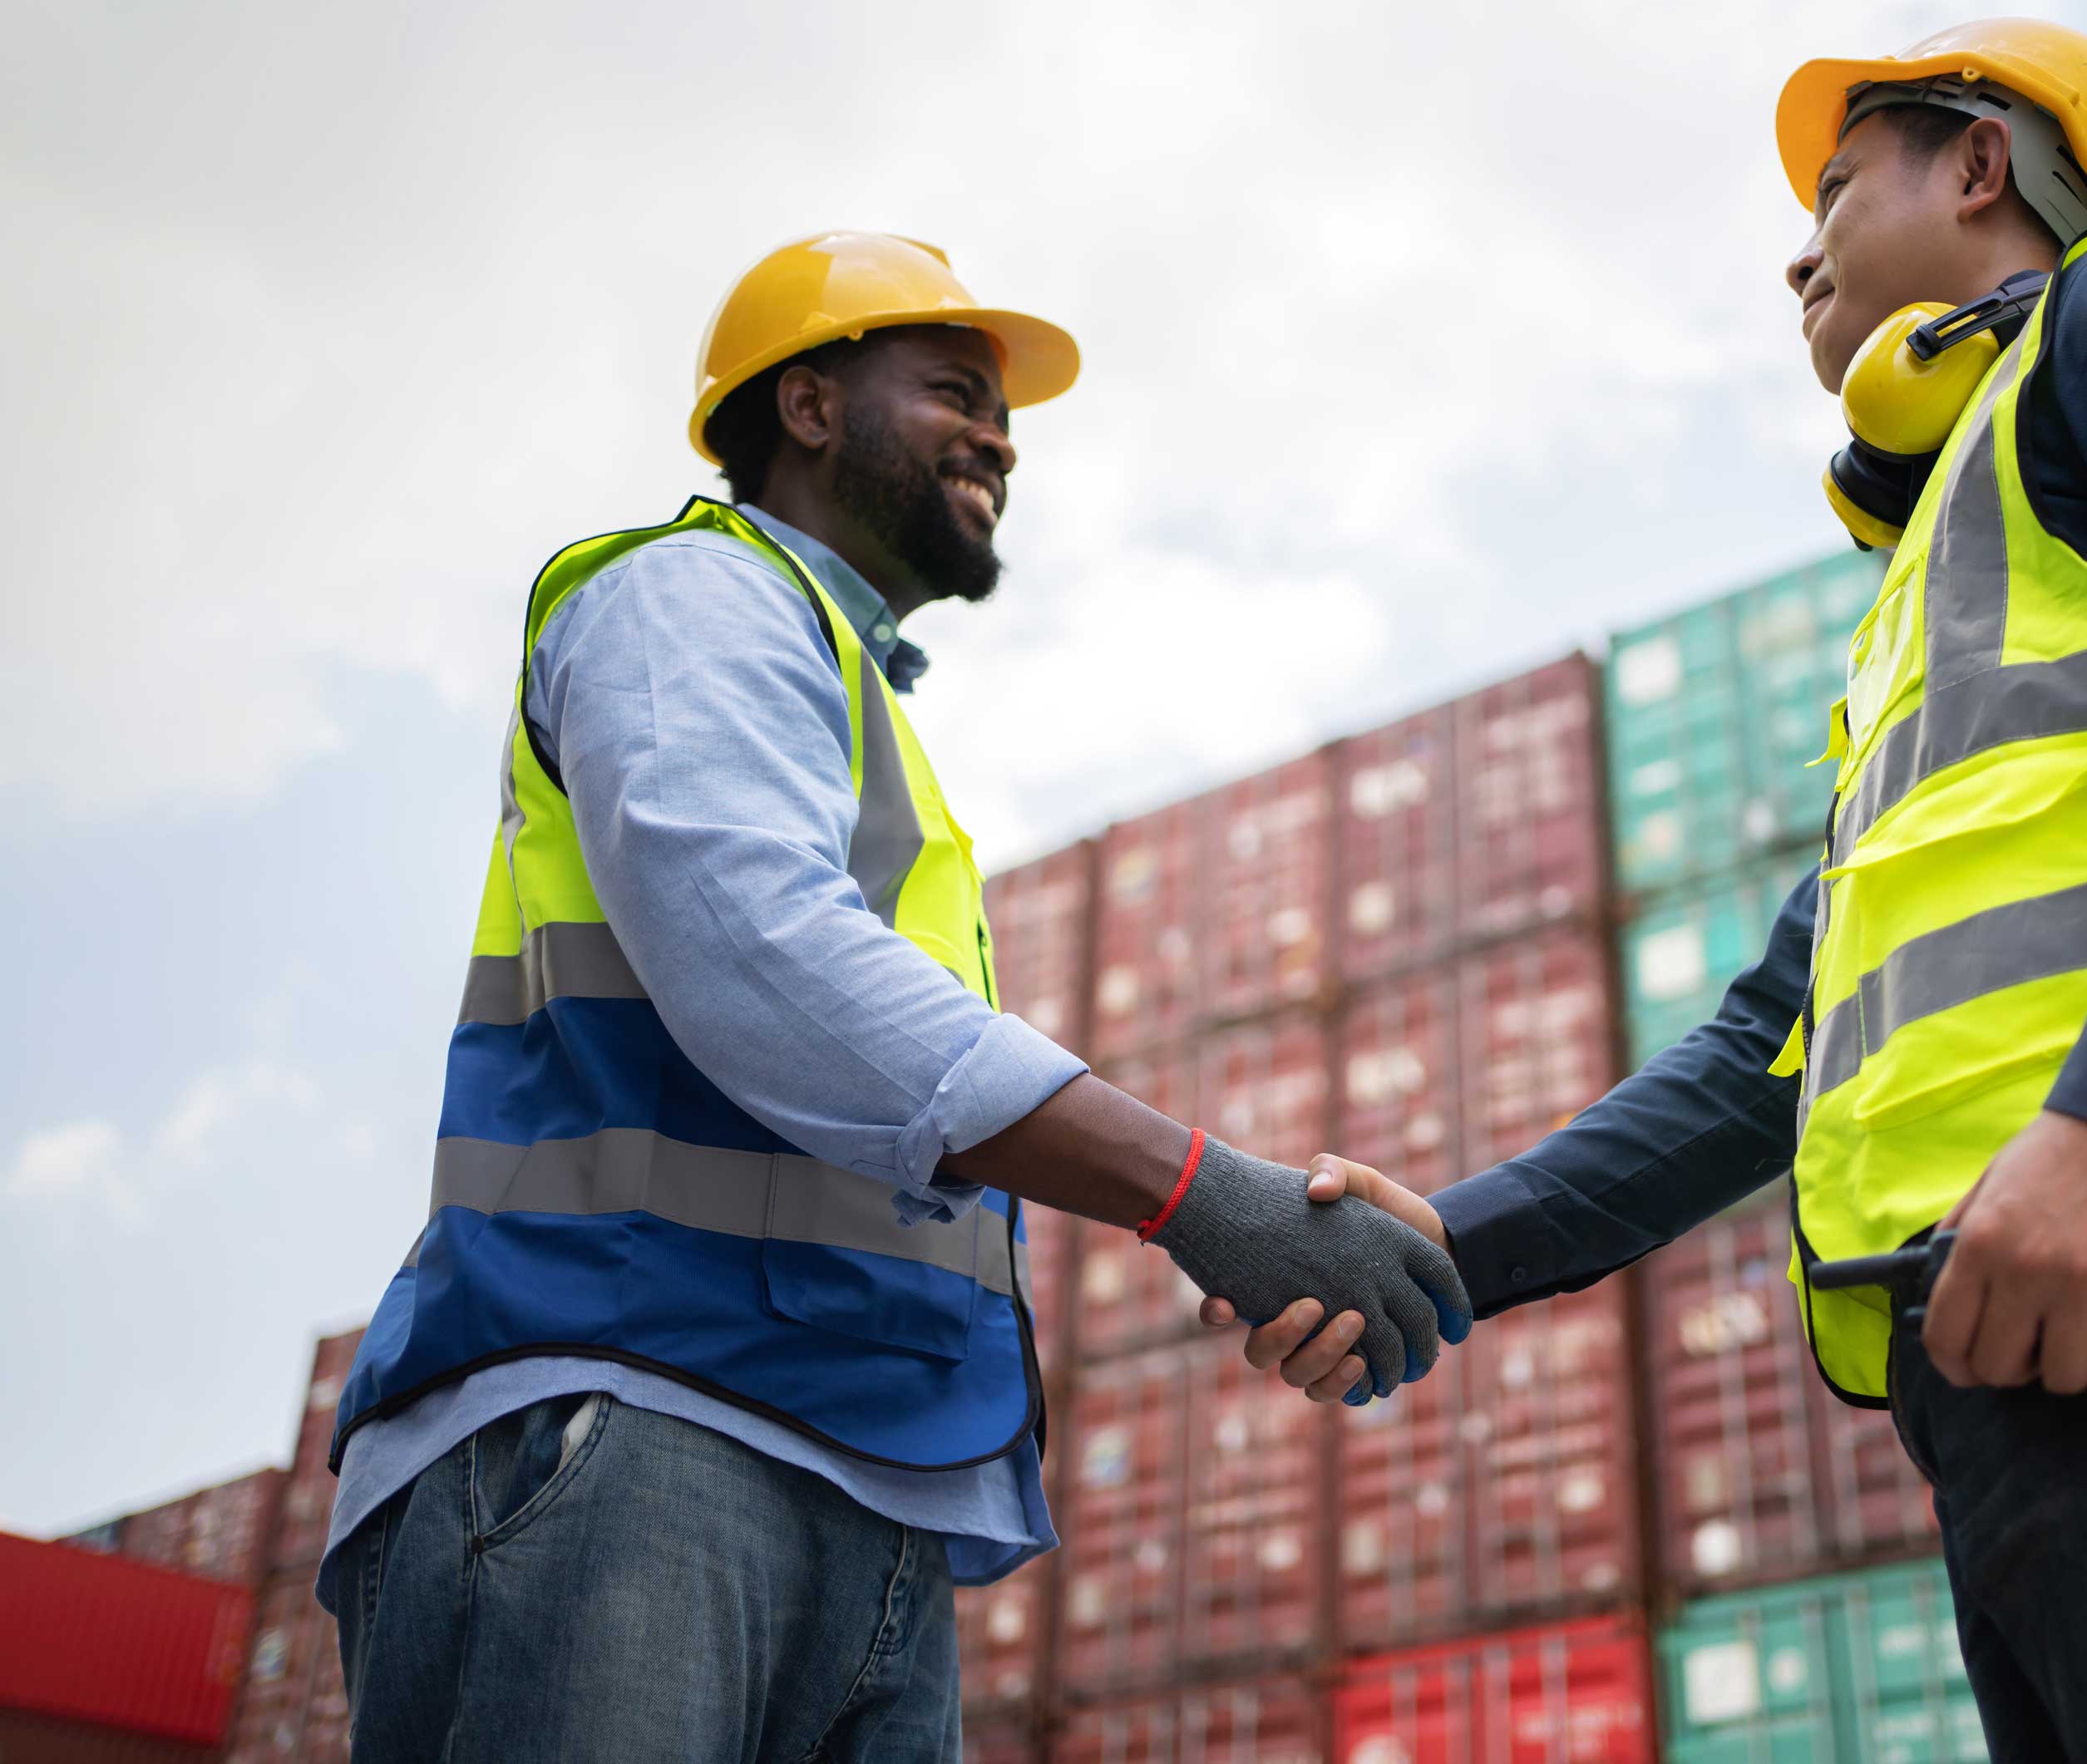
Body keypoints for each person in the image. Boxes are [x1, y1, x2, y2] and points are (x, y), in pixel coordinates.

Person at [1201, 23, 2087, 1760]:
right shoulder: (1949, 561)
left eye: (1836, 184)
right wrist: (1454, 1246)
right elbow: (1772, 1043)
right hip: (2027, 1287)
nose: (1799, 245)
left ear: (1979, 166)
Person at [321, 232, 1468, 1762]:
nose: (999, 436)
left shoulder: (862, 718)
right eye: (953, 390)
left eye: (1002, 410)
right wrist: (1197, 1192)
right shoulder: (685, 599)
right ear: (805, 406)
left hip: (867, 1479)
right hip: (631, 1419)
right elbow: (759, 953)